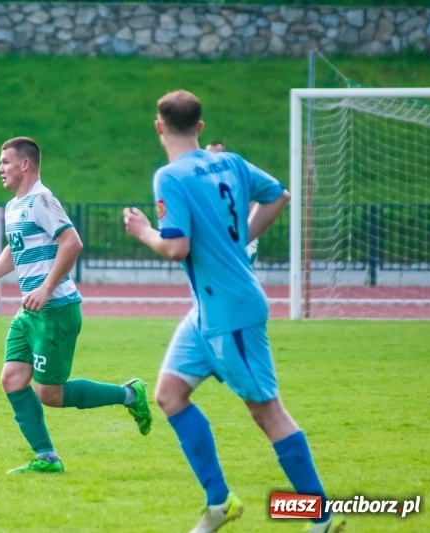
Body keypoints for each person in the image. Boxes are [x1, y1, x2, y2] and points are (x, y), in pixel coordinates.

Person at [122, 91, 345, 533]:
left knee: (267, 411)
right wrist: (236, 240)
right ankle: (219, 502)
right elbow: (279, 195)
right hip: (207, 311)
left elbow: (176, 246)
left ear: (158, 126)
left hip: (231, 310)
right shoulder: (231, 162)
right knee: (168, 394)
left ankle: (322, 516)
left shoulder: (171, 176)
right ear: (201, 126)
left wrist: (144, 231)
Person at [0, 136, 153, 474]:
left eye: (5, 161)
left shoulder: (41, 200)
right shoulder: (16, 206)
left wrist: (46, 288)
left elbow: (72, 242)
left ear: (25, 164)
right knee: (12, 378)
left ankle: (130, 394)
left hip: (55, 309)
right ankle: (47, 459)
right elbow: (16, 248)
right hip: (31, 312)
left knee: (49, 393)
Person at [204, 140, 259, 264]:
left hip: (236, 242)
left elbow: (254, 205)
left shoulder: (236, 179)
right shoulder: (201, 180)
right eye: (209, 155)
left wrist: (251, 239)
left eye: (217, 155)